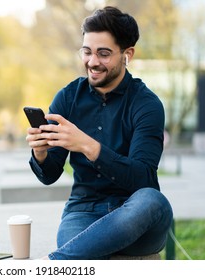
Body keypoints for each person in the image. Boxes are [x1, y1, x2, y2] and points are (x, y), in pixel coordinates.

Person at [25, 6, 173, 260]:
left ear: (128, 54)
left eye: (103, 54)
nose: (92, 62)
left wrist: (89, 146)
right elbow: (49, 175)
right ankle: (74, 254)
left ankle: (56, 263)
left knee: (153, 200)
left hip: (135, 215)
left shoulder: (146, 105)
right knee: (76, 239)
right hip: (83, 213)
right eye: (87, 51)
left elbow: (143, 179)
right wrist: (40, 153)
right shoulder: (68, 97)